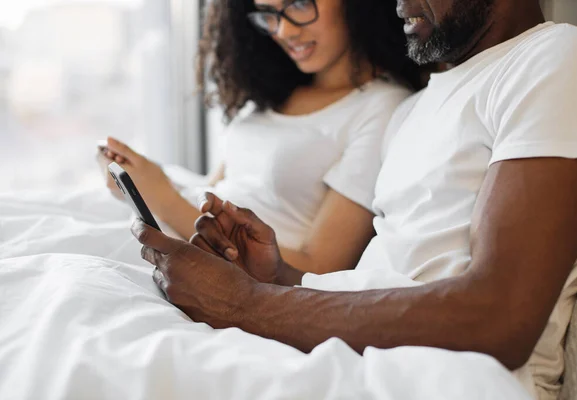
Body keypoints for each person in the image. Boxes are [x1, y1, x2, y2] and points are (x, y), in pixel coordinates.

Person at [131, 0, 577, 399]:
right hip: (362, 358)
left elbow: (499, 316)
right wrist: (279, 277)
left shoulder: (563, 58)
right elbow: (396, 276)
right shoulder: (416, 109)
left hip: (438, 380)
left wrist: (245, 304)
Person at [96, 0, 421, 275]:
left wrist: (163, 199)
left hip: (212, 265)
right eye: (268, 12)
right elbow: (214, 194)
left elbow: (319, 268)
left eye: (299, 3)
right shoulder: (276, 93)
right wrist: (143, 184)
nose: (284, 31)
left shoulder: (382, 107)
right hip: (176, 242)